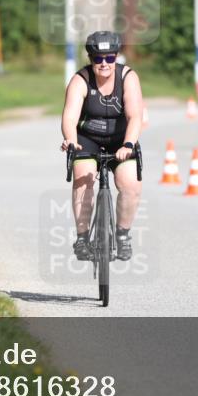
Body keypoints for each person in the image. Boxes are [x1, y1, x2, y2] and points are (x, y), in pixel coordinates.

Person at [60, 31, 144, 262]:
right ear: (90, 59)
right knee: (83, 179)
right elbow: (69, 117)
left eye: (109, 58)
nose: (104, 63)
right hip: (88, 139)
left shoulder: (128, 78)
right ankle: (82, 238)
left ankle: (123, 234)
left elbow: (135, 116)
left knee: (130, 184)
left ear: (116, 57)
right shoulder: (80, 80)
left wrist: (129, 143)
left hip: (121, 141)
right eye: (98, 58)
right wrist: (71, 139)